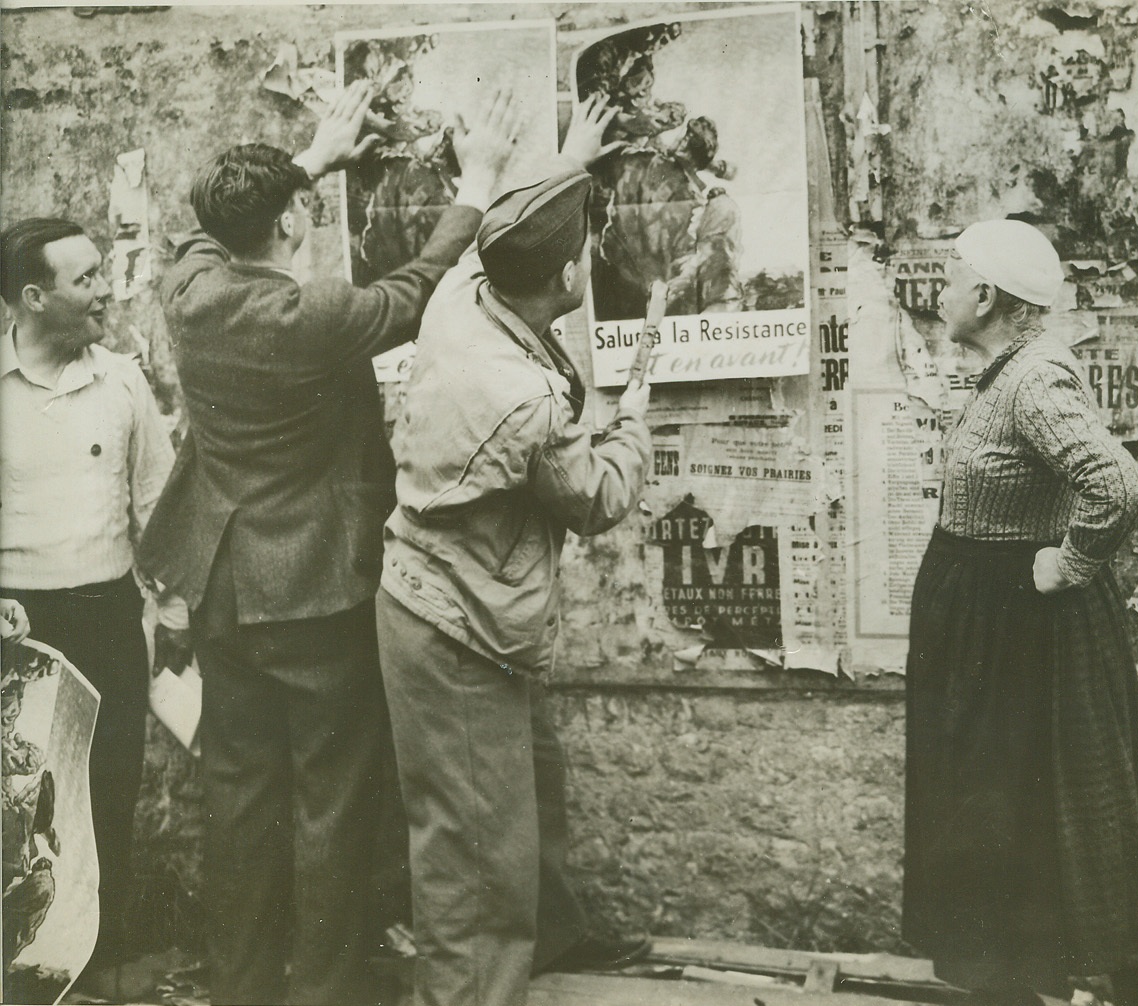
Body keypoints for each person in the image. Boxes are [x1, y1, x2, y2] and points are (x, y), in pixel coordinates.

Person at [136, 82, 517, 1006]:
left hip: (223, 588)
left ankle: (243, 989)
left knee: (241, 799)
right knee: (332, 803)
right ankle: (329, 991)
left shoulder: (188, 287)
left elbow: (209, 230)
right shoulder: (307, 318)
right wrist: (483, 183)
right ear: (294, 220)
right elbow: (417, 285)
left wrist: (309, 156)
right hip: (313, 592)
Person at [375, 94, 652, 1006]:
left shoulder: (470, 290)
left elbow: (504, 234)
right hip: (455, 624)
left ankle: (553, 935)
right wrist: (634, 417)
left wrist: (568, 164)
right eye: (583, 252)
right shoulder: (525, 401)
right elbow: (594, 500)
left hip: (456, 598)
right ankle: (468, 995)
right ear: (570, 273)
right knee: (470, 844)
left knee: (528, 784)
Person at [902, 219, 1138, 1006]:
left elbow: (1116, 487)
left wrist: (1072, 561)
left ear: (986, 296)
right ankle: (1008, 987)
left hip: (1019, 631)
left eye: (951, 277)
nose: (940, 292)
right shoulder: (1007, 371)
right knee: (993, 820)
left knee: (1058, 814)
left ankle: (1107, 988)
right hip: (989, 630)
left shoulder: (1036, 380)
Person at [0, 218, 190, 989]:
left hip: (108, 615)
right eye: (85, 279)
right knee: (20, 805)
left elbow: (162, 501)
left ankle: (101, 965)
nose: (103, 291)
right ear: (35, 296)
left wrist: (172, 610)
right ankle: (20, 971)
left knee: (108, 787)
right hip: (18, 627)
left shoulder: (120, 379)